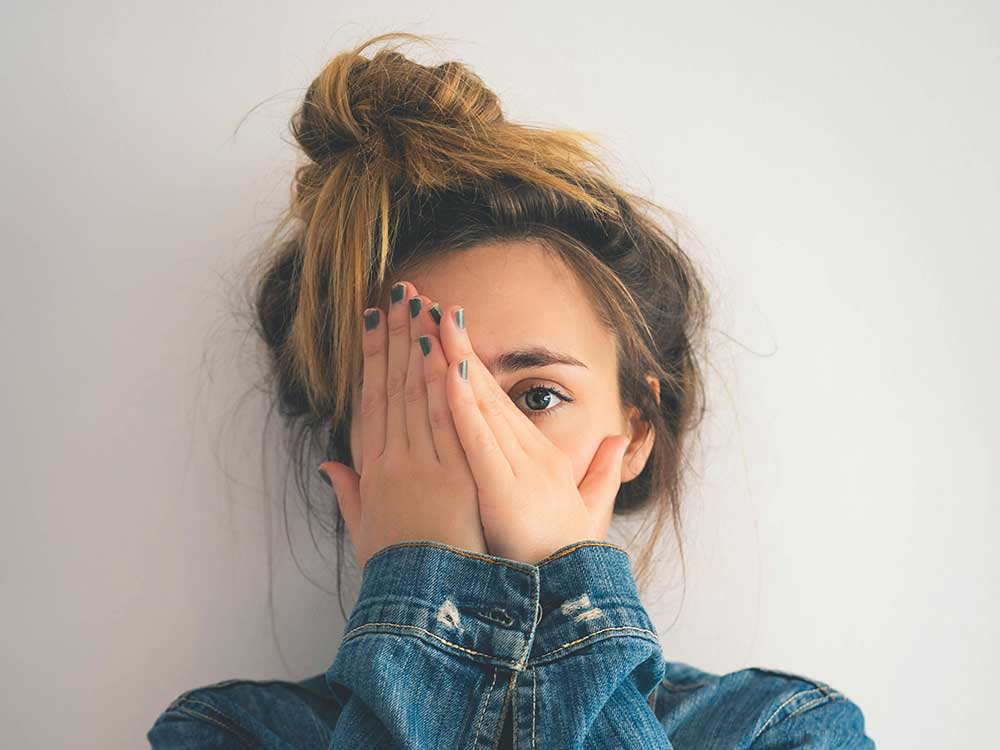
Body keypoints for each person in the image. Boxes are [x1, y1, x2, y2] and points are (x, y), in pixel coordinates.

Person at [146, 31, 875, 749]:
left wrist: (565, 595)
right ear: (351, 448)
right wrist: (426, 592)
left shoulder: (784, 729)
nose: (479, 442)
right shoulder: (226, 734)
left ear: (638, 431)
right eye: (425, 406)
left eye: (537, 397)